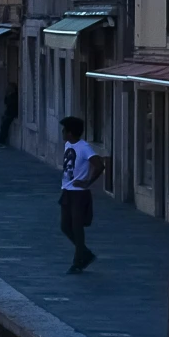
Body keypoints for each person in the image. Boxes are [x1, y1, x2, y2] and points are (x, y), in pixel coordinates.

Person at [57, 115, 103, 272]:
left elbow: (99, 165)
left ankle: (78, 261)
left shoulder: (84, 147)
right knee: (65, 226)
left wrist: (87, 182)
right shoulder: (68, 144)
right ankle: (85, 253)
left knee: (77, 227)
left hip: (79, 193)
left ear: (70, 132)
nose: (62, 133)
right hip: (67, 190)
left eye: (64, 130)